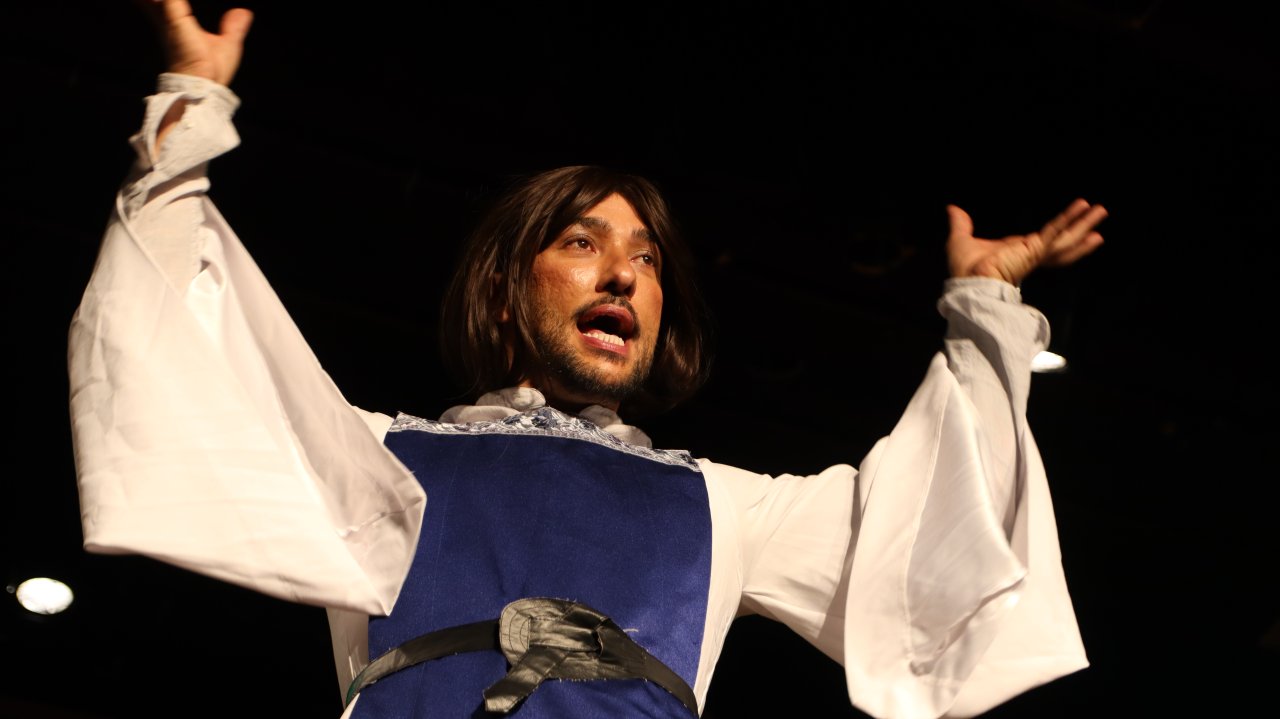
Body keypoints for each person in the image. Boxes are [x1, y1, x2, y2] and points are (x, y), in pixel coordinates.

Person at [68, 2, 1108, 717]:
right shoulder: (379, 459)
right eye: (581, 242)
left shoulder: (726, 505)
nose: (622, 274)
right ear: (504, 290)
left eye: (645, 259)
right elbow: (183, 362)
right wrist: (189, 110)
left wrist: (984, 311)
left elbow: (935, 537)